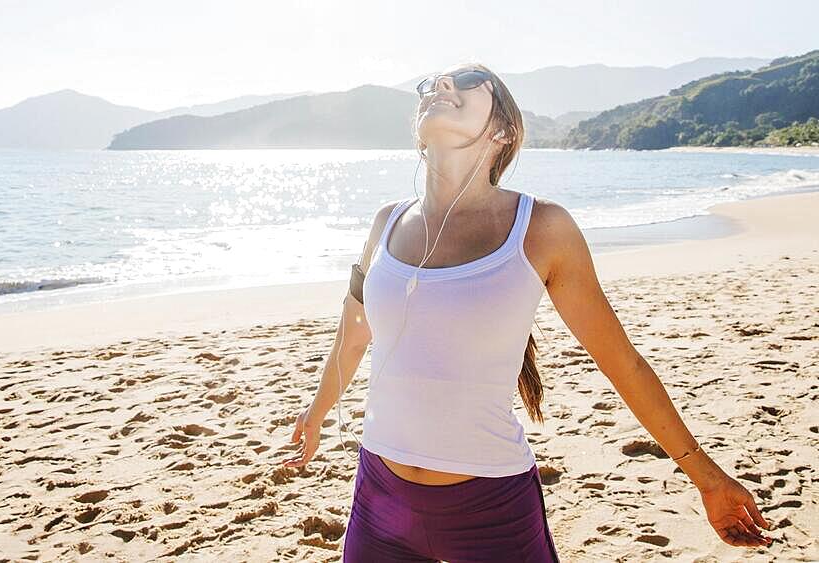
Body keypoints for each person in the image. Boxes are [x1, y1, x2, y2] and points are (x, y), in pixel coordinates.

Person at [281, 62, 773, 561]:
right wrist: (317, 412)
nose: (442, 85)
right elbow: (354, 331)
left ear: (503, 131)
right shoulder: (385, 222)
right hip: (380, 499)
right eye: (431, 84)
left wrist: (707, 478)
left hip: (491, 507)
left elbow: (621, 362)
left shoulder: (541, 228)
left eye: (469, 81)